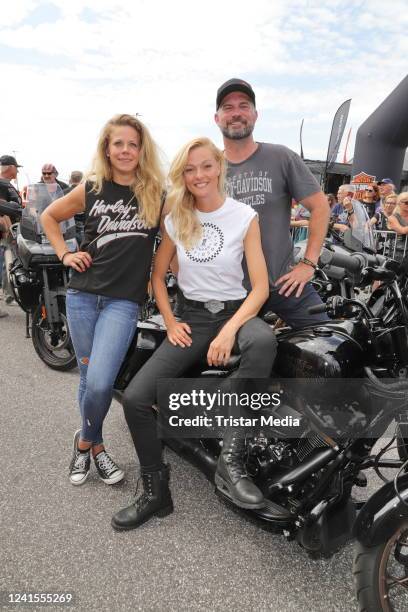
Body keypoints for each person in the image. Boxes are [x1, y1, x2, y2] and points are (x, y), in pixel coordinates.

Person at [112, 137, 277, 531]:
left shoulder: (244, 216)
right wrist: (170, 320)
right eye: (189, 169)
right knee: (135, 398)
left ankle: (231, 460)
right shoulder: (176, 218)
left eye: (205, 166)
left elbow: (260, 288)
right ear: (182, 176)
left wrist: (230, 331)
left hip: (237, 313)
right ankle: (155, 492)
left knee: (264, 341)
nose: (198, 175)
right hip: (193, 318)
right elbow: (156, 275)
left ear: (219, 167)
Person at [41, 114, 165, 486]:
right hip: (82, 296)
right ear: (107, 149)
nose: (126, 150)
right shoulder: (92, 187)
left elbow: (178, 234)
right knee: (87, 376)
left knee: (100, 383)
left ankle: (83, 442)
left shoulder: (156, 192)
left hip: (122, 302)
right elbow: (50, 216)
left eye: (133, 144)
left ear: (141, 150)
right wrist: (65, 254)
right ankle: (96, 448)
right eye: (119, 144)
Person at [214, 78, 330, 329]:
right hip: (232, 292)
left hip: (285, 282)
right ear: (217, 118)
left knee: (329, 342)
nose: (236, 113)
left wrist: (308, 263)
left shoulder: (281, 157)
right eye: (227, 107)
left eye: (244, 106)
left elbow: (320, 207)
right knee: (230, 360)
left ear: (255, 115)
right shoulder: (207, 168)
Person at [0, 155, 23, 313]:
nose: (17, 171)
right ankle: (9, 295)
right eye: (16, 167)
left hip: (8, 230)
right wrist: (9, 231)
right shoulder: (2, 184)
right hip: (7, 231)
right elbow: (2, 210)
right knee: (9, 263)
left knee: (8, 263)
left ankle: (9, 294)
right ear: (10, 167)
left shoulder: (5, 184)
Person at [63, 171, 85, 245]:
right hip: (85, 223)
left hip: (69, 224)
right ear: (82, 179)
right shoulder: (87, 191)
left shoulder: (64, 192)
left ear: (71, 179)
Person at [387, 192, 408, 260]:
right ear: (399, 203)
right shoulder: (392, 218)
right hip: (398, 253)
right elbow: (402, 230)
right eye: (406, 202)